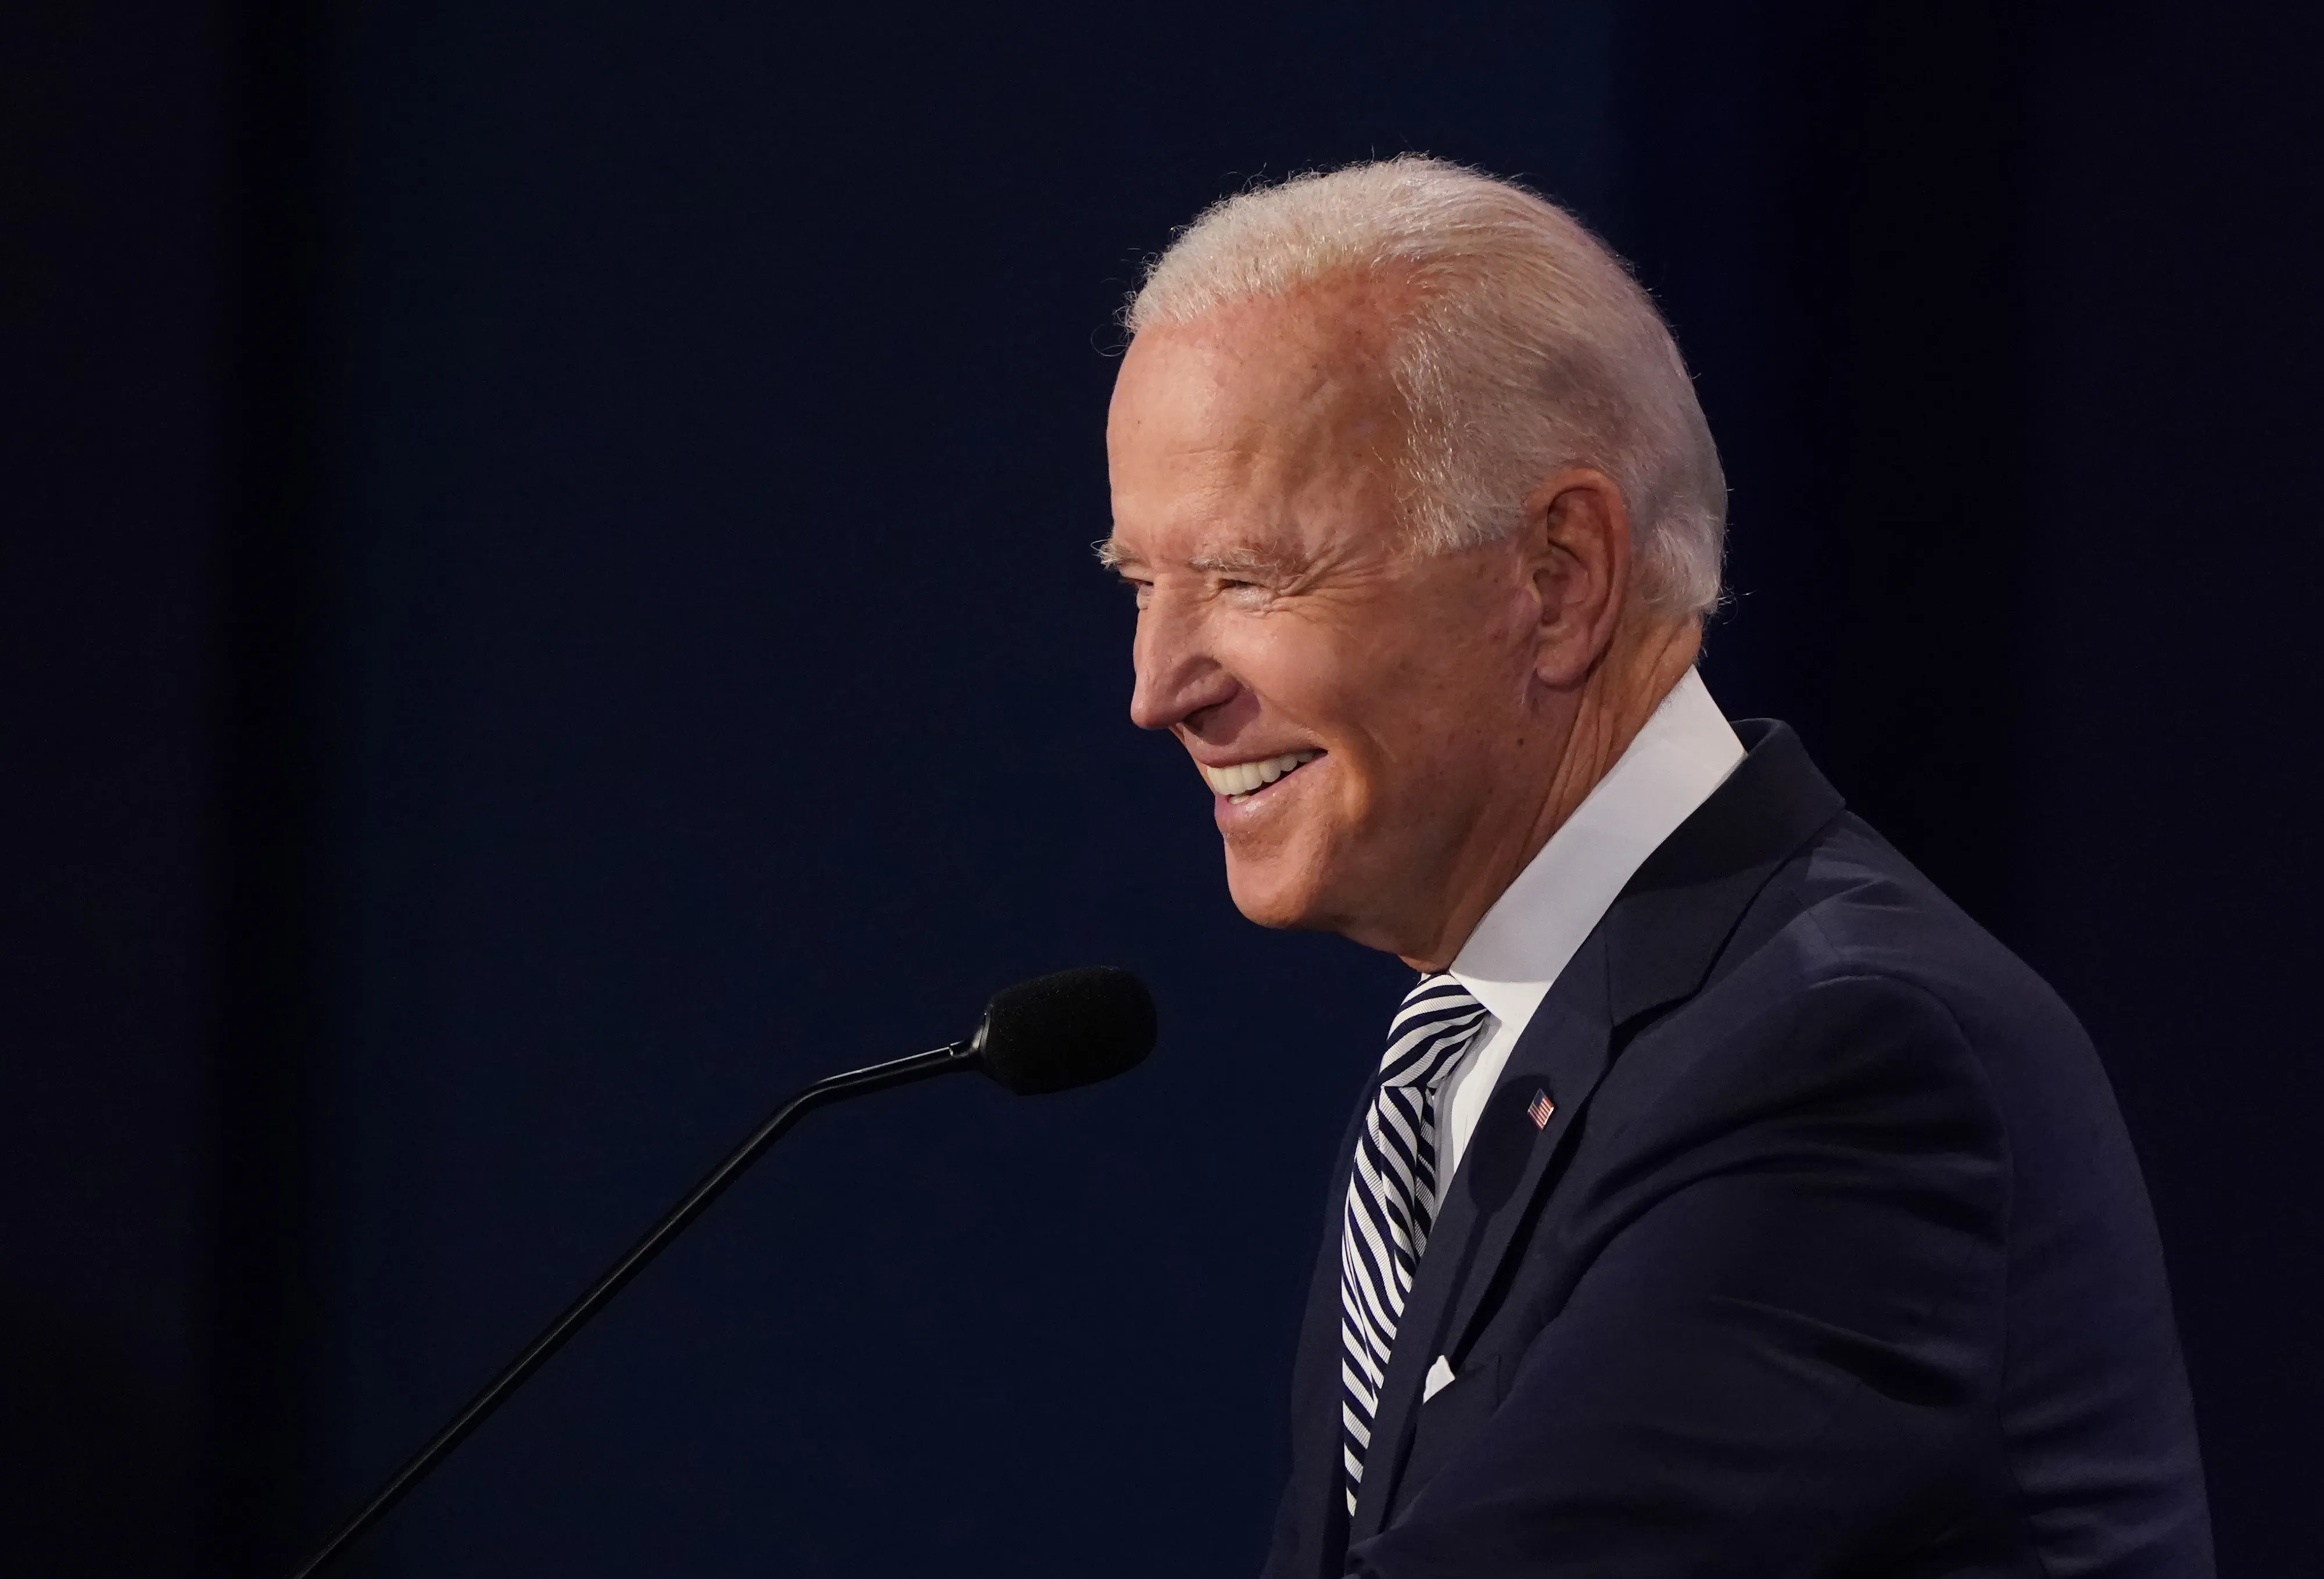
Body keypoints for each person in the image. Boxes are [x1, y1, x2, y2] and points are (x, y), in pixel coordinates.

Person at [1100, 156, 2211, 1578]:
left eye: (1248, 577)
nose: (1157, 685)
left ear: (1557, 576)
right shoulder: (1478, 1060)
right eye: (1142, 584)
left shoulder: (1842, 1055)